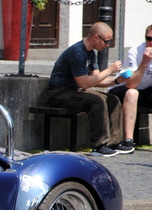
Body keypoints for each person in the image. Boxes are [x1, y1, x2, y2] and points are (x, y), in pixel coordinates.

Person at [46, 22, 128, 157]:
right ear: (96, 37)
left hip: (73, 92)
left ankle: (113, 142)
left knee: (112, 99)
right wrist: (109, 70)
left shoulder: (91, 53)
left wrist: (116, 81)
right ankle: (99, 145)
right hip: (58, 93)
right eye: (106, 41)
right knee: (96, 100)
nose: (107, 45)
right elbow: (84, 83)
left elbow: (96, 79)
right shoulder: (77, 52)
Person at [108, 24, 152, 153]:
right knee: (132, 92)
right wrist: (144, 62)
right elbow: (131, 84)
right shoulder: (135, 52)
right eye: (148, 38)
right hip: (122, 89)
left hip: (145, 89)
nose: (151, 42)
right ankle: (128, 140)